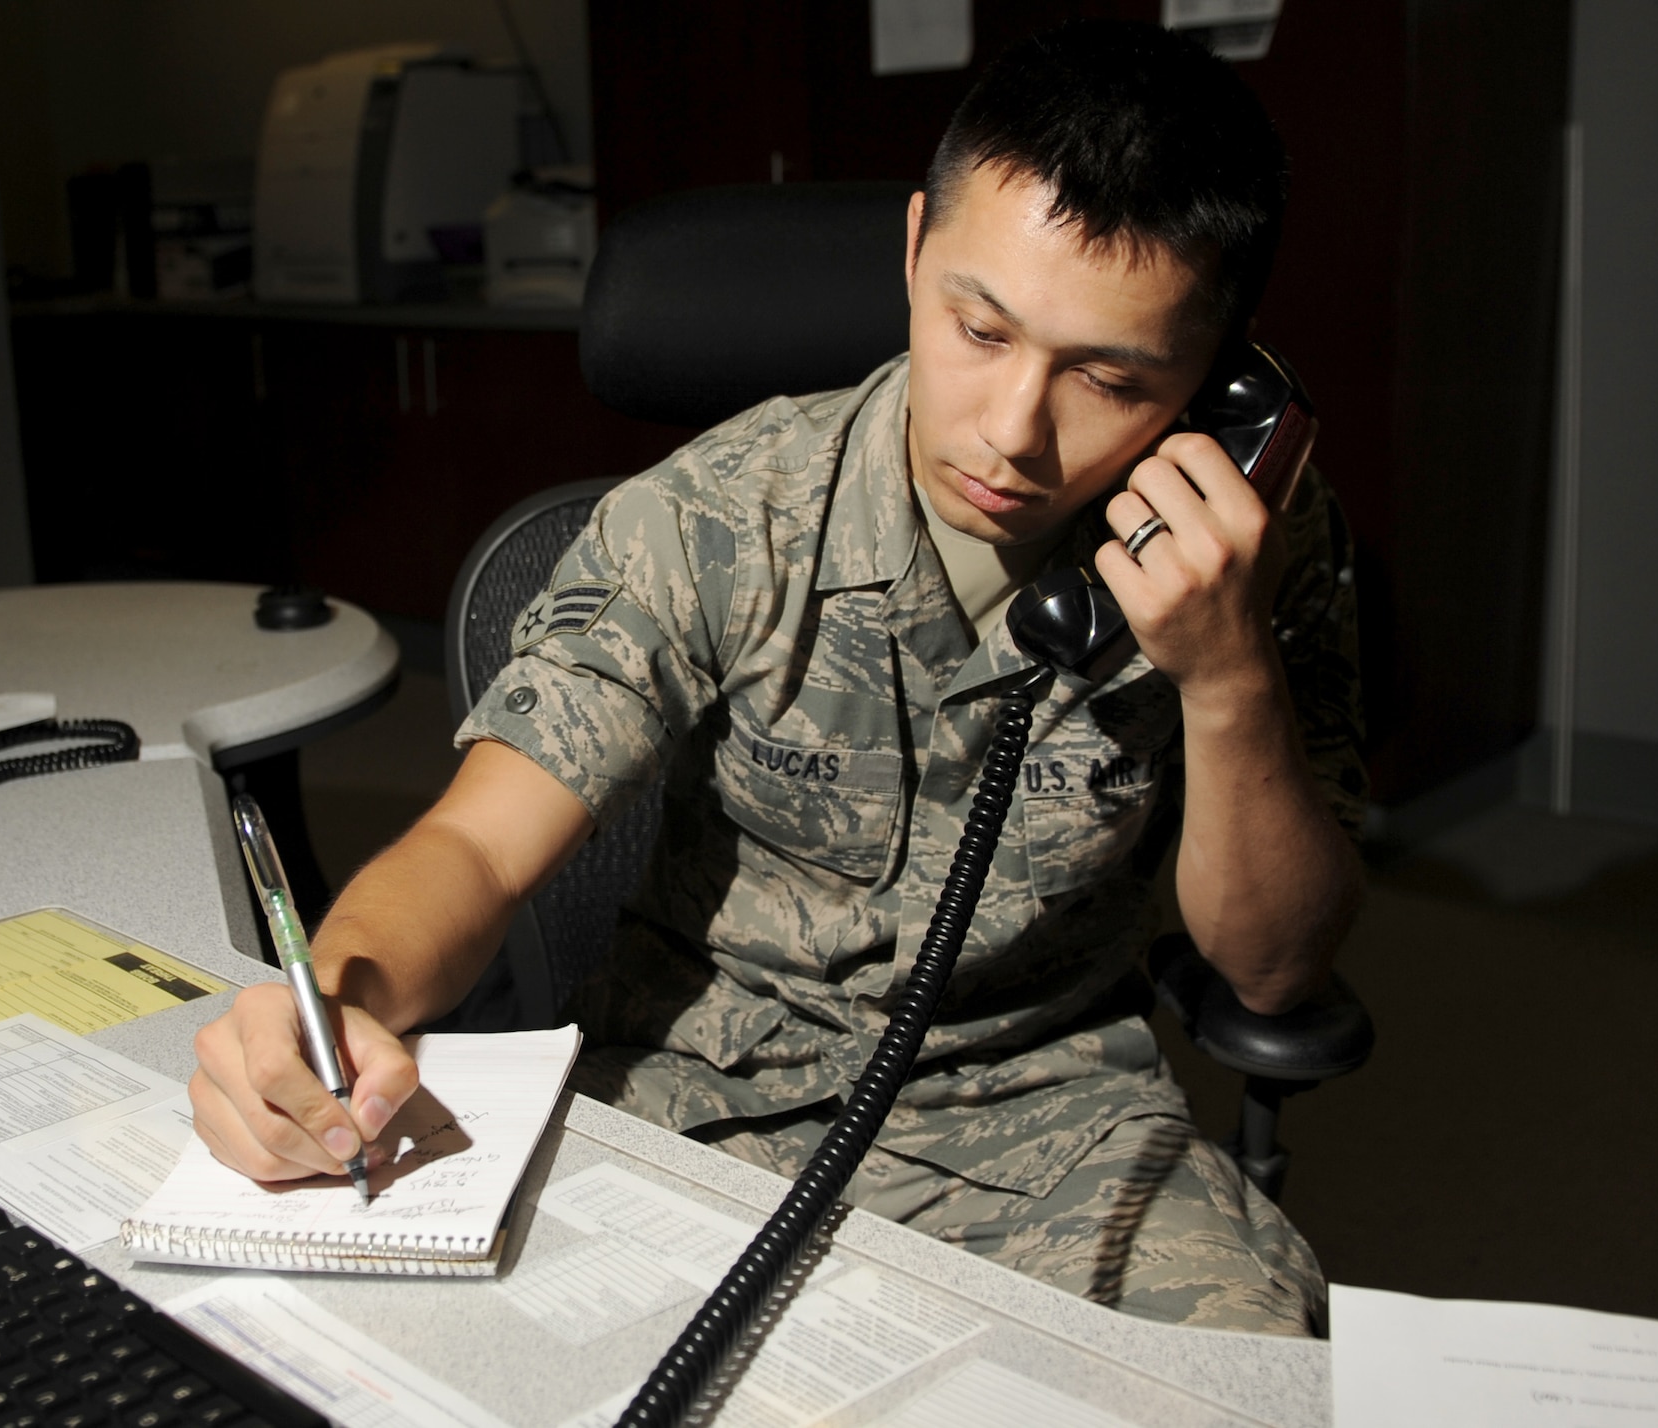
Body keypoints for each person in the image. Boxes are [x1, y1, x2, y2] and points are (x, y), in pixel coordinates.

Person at [189, 19, 1365, 1337]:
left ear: (1218, 386)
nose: (1010, 429)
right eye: (978, 328)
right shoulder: (719, 516)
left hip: (1045, 1127)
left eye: (1106, 376)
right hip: (691, 1097)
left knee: (1247, 1369)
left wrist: (1227, 677)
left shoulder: (1243, 552)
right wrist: (333, 1001)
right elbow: (473, 847)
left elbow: (1273, 973)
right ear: (917, 251)